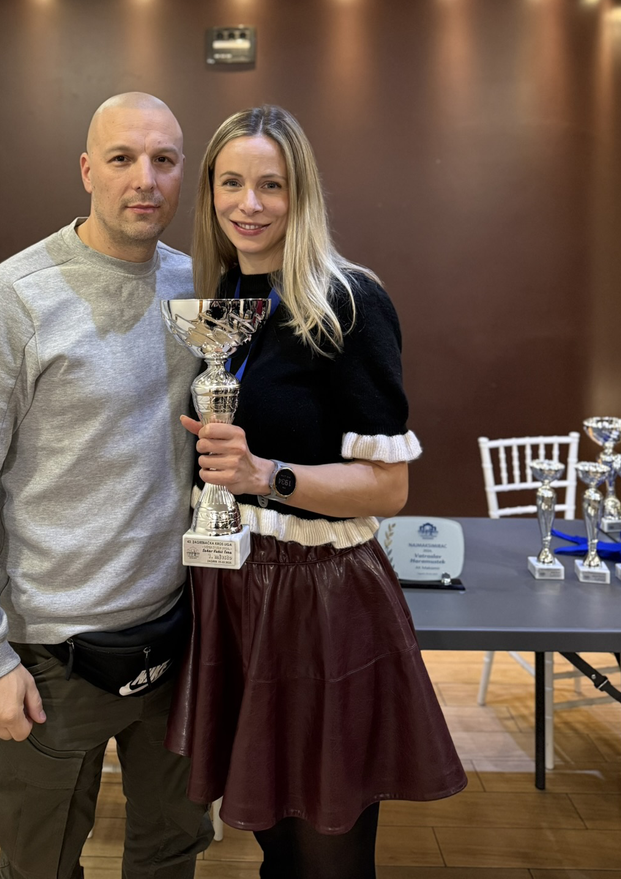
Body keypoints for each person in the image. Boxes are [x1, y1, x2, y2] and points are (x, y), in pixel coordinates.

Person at [0, 92, 213, 879]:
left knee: (172, 852)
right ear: (86, 169)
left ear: (183, 171)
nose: (144, 178)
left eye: (164, 160)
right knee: (39, 861)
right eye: (122, 158)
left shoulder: (198, 293)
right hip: (52, 653)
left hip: (179, 636)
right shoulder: (5, 302)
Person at [166, 105, 466, 879]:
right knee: (276, 841)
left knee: (328, 851)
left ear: (302, 194)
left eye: (272, 184)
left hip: (321, 598)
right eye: (231, 182)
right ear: (210, 191)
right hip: (233, 591)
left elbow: (389, 487)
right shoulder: (225, 298)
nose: (250, 203)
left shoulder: (350, 301)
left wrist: (266, 474)